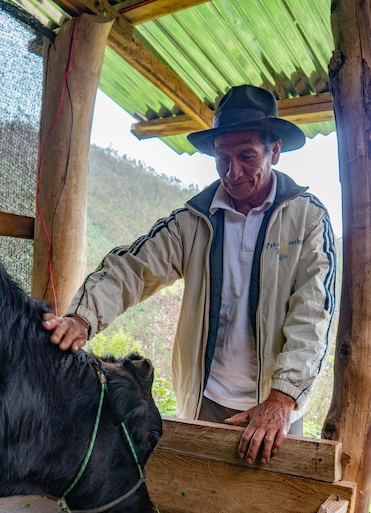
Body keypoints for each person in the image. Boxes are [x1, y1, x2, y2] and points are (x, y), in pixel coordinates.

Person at [43, 84, 336, 466]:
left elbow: (312, 315)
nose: (232, 172)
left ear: (275, 150)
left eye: (247, 156)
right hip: (205, 400)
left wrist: (283, 399)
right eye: (222, 158)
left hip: (273, 409)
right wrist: (82, 318)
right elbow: (132, 267)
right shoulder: (193, 221)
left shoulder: (307, 219)